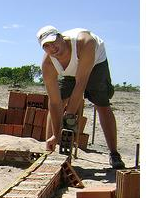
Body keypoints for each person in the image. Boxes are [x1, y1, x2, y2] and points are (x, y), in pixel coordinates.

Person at [36, 25, 125, 169]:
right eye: (46, 46)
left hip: (95, 63)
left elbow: (81, 84)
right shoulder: (48, 64)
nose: (52, 48)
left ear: (61, 37)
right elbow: (54, 102)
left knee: (100, 103)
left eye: (53, 42)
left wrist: (69, 117)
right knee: (61, 100)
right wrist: (57, 134)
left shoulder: (85, 42)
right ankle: (50, 149)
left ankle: (114, 154)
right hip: (69, 70)